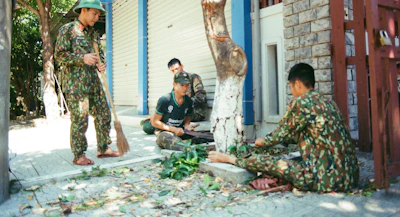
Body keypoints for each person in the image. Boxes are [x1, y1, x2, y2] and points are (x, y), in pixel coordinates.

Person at [208, 63, 359, 193]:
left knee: (270, 162)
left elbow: (280, 135)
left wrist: (263, 141)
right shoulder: (328, 102)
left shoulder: (300, 102)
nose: (292, 90)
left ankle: (230, 159)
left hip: (324, 181)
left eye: (291, 86)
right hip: (350, 176)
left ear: (297, 84)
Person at [54, 0, 120, 166]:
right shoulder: (67, 30)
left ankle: (104, 147)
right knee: (80, 119)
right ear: (83, 10)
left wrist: (101, 63)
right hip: (76, 84)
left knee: (104, 113)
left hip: (94, 82)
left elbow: (99, 54)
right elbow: (60, 56)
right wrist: (82, 58)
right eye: (94, 13)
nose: (96, 18)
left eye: (98, 15)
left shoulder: (93, 34)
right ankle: (78, 155)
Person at [142, 58, 207, 134]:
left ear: (182, 66)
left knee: (165, 121)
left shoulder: (193, 77)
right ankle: (157, 128)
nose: (175, 72)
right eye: (172, 70)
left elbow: (201, 96)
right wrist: (156, 115)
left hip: (195, 111)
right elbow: (171, 102)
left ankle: (159, 131)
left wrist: (185, 103)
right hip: (180, 111)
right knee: (149, 124)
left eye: (177, 68)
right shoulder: (176, 82)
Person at [150, 71, 199, 151]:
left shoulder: (189, 101)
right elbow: (154, 122)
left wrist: (187, 125)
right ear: (174, 85)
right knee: (170, 140)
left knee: (203, 136)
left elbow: (188, 117)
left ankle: (185, 142)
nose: (185, 88)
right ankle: (186, 147)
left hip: (181, 131)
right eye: (182, 85)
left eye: (187, 85)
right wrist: (173, 129)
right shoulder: (165, 100)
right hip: (165, 132)